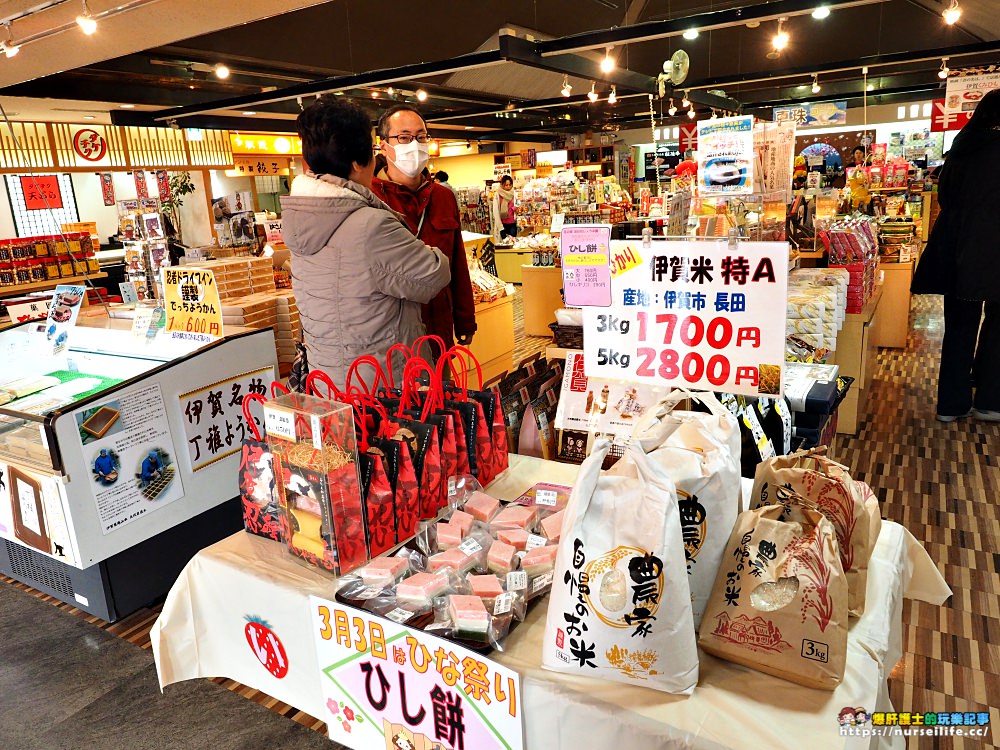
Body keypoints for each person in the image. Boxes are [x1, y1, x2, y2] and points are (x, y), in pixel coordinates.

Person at [281, 97, 450, 385]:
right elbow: (436, 272)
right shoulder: (372, 226)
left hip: (330, 382)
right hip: (382, 386)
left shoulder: (301, 219)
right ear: (360, 162)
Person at [911, 88, 1000, 422]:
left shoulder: (961, 148)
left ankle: (951, 404)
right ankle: (991, 399)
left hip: (960, 250)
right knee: (997, 327)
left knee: (959, 328)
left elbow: (945, 196)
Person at [370, 105, 477, 350]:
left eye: (421, 137)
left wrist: (465, 320)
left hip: (439, 328)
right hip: (391, 337)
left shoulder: (443, 197)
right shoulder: (371, 197)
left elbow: (457, 262)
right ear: (384, 145)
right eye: (404, 138)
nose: (414, 145)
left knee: (444, 388)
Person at [491, 174, 518, 242]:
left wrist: (516, 208)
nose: (508, 187)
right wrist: (501, 229)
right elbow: (496, 212)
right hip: (502, 224)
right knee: (503, 245)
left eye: (510, 184)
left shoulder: (515, 194)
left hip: (513, 223)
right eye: (506, 185)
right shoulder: (498, 195)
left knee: (512, 243)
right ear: (502, 185)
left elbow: (519, 206)